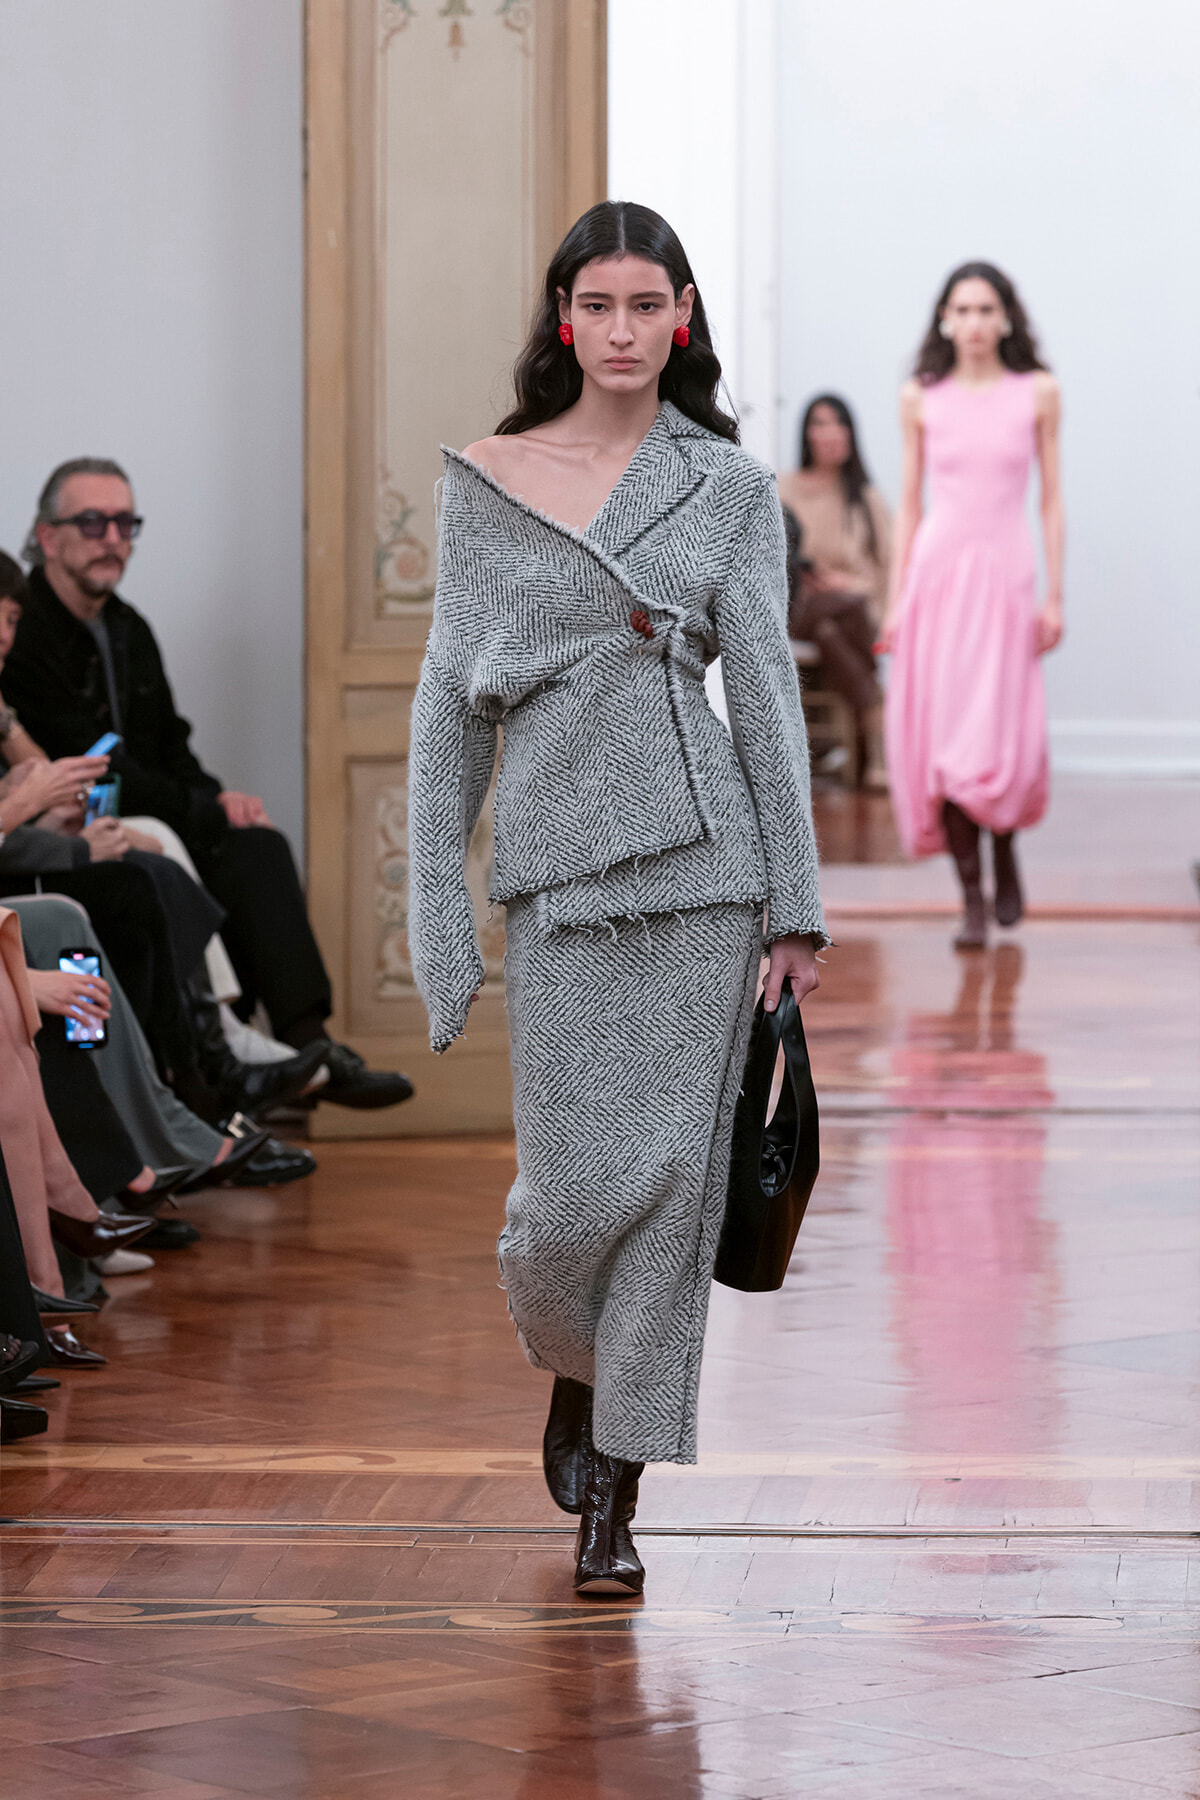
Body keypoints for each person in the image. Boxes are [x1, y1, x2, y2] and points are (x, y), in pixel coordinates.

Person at [407, 201, 826, 1598]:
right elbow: (445, 716)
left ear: (682, 318)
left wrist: (797, 909)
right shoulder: (487, 480)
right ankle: (576, 1375)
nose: (629, 330)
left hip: (707, 877)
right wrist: (433, 912)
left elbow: (764, 696)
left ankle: (617, 1504)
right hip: (560, 881)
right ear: (566, 318)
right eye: (604, 305)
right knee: (564, 1207)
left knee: (672, 1195)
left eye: (654, 305)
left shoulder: (726, 487)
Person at [3, 477, 411, 1109]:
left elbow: (170, 742)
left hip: (115, 811)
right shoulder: (27, 635)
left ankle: (306, 1044)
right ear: (46, 537)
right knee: (149, 865)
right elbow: (84, 767)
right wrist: (195, 807)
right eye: (93, 523)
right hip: (71, 821)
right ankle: (210, 1065)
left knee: (253, 843)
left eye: (124, 524)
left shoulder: (127, 627)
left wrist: (215, 799)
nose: (112, 539)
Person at [876, 262, 1063, 949]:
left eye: (987, 309)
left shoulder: (1037, 393)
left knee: (1001, 734)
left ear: (1006, 317)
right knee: (947, 741)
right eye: (963, 309)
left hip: (1006, 578)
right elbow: (909, 502)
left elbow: (1051, 499)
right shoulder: (920, 397)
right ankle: (973, 899)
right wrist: (896, 603)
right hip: (938, 581)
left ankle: (1005, 844)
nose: (975, 322)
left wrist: (1056, 594)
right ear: (945, 319)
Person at [777, 395, 891, 790]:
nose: (829, 434)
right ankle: (876, 721)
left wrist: (846, 585)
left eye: (838, 423)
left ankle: (867, 725)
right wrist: (811, 576)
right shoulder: (783, 488)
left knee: (834, 626)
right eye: (820, 423)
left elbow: (887, 573)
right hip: (801, 605)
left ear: (851, 433)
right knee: (832, 613)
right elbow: (774, 557)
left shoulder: (866, 499)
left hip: (851, 612)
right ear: (807, 433)